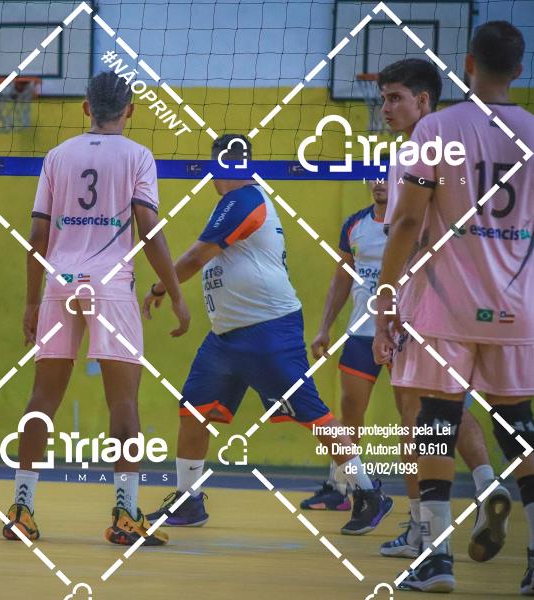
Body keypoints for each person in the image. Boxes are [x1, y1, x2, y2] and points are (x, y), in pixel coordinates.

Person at [144, 134, 392, 536]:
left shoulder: (245, 198)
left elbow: (196, 256)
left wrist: (162, 289)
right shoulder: (233, 203)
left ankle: (368, 492)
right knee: (193, 409)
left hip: (267, 331)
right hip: (226, 335)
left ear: (220, 166)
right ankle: (188, 499)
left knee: (313, 414)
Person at [374, 21, 534, 593]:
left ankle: (437, 559)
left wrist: (386, 298)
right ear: (519, 70)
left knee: (435, 423)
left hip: (445, 305)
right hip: (516, 304)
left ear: (468, 64)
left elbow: (408, 222)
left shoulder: (438, 128)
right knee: (519, 426)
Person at [1, 71, 189, 546]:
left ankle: (21, 510)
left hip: (59, 283)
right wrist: (176, 294)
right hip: (110, 286)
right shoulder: (138, 156)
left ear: (86, 107)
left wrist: (31, 301)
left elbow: (37, 238)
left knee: (42, 399)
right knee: (123, 403)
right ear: (130, 110)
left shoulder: (57, 156)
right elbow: (149, 230)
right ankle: (126, 514)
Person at [301, 179, 389, 512]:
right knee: (350, 408)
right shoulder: (355, 224)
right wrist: (324, 328)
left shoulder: (416, 222)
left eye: (387, 175)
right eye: (373, 175)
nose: (379, 182)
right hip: (362, 333)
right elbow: (342, 277)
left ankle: (424, 502)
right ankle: (340, 486)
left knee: (414, 416)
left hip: (404, 334)